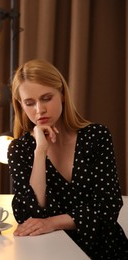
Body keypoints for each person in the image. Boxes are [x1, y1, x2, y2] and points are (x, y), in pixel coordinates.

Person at [8, 59, 128, 259]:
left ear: (62, 94)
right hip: (50, 252)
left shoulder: (96, 136)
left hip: (106, 249)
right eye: (30, 103)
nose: (39, 110)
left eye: (46, 98)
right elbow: (28, 215)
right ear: (21, 105)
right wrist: (40, 152)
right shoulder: (20, 149)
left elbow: (109, 206)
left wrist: (51, 222)